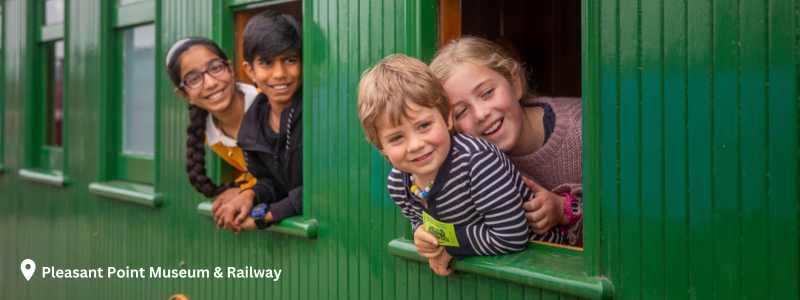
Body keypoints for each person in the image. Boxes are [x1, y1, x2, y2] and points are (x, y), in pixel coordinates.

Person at [357, 54, 537, 276]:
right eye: (396, 138)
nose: (415, 145)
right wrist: (422, 234)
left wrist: (450, 247)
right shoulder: (398, 184)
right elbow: (420, 220)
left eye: (424, 125)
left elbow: (511, 236)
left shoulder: (477, 162)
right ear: (382, 148)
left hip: (545, 259)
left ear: (447, 118)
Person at [430, 37, 583, 246]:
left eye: (487, 93)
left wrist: (564, 209)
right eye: (461, 111)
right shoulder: (468, 161)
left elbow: (631, 216)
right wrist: (431, 238)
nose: (481, 114)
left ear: (515, 82)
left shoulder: (585, 130)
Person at [216, 10, 303, 231]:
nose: (279, 73)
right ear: (250, 71)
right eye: (266, 63)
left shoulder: (316, 114)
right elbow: (274, 183)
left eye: (290, 60)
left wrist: (267, 216)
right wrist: (250, 195)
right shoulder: (252, 126)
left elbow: (325, 186)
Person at [165, 37, 259, 217]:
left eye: (216, 68)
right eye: (193, 79)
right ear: (185, 95)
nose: (210, 83)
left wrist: (247, 191)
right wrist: (239, 189)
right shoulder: (210, 135)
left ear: (231, 69)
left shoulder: (272, 105)